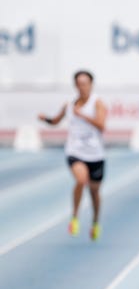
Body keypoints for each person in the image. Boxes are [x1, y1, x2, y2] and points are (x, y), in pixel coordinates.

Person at [38, 70, 107, 241]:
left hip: (96, 155)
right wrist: (45, 119)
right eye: (79, 83)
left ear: (91, 85)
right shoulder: (69, 105)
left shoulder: (97, 104)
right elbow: (56, 121)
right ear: (75, 85)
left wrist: (82, 115)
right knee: (81, 180)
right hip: (75, 152)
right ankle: (75, 217)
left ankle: (95, 222)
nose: (82, 87)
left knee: (94, 192)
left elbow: (101, 125)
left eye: (85, 83)